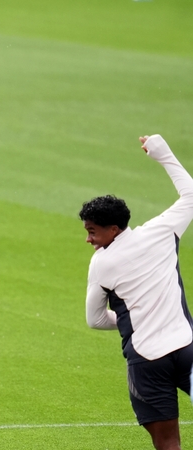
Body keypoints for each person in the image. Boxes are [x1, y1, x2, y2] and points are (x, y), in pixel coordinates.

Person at [81, 135, 193, 450]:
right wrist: (163, 153)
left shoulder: (101, 264)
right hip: (187, 347)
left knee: (168, 443)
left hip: (147, 360)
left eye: (92, 231)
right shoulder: (162, 230)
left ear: (113, 229)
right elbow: (191, 194)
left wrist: (127, 319)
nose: (88, 239)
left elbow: (95, 319)